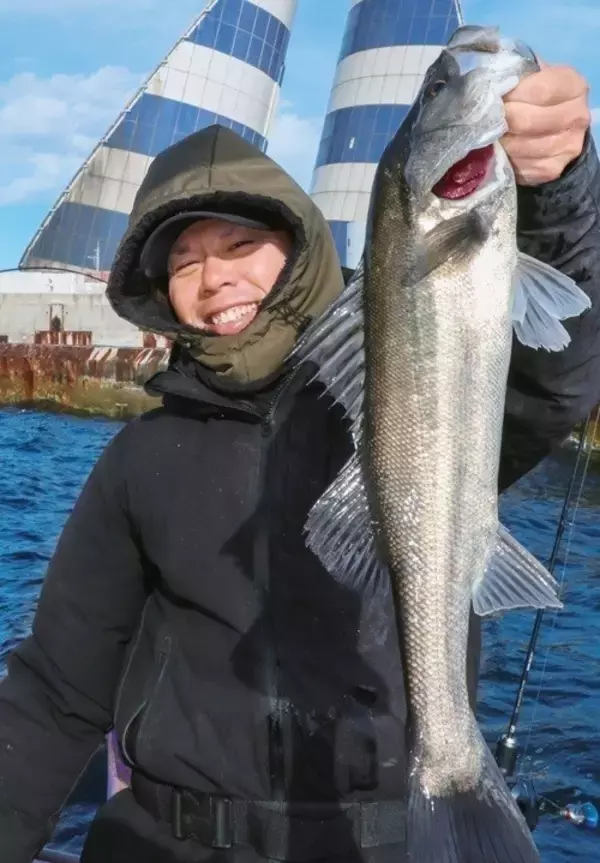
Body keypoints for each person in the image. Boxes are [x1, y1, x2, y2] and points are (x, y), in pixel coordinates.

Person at [0, 57, 599, 863]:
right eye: (183, 261)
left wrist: (560, 190)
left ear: (298, 245)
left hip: (379, 840)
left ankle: (455, 771)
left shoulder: (402, 382)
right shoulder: (138, 457)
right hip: (163, 841)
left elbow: (556, 371)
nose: (214, 278)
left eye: (242, 243)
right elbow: (57, 689)